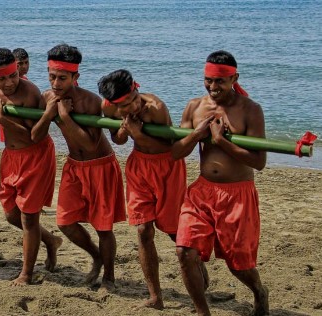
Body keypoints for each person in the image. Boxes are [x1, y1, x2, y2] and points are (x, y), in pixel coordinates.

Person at [172, 50, 269, 316]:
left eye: (220, 82)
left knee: (238, 265)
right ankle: (203, 312)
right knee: (184, 252)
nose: (213, 87)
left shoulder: (251, 109)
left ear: (234, 78)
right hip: (202, 192)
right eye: (208, 81)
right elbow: (176, 152)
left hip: (238, 195)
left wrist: (221, 142)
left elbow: (259, 162)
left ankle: (259, 291)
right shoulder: (194, 106)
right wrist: (196, 135)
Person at [34, 43, 126, 292]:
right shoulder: (47, 97)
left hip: (101, 167)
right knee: (65, 222)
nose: (55, 83)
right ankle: (96, 256)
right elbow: (37, 134)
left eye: (62, 78)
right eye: (52, 76)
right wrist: (49, 113)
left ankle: (109, 277)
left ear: (76, 77)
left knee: (103, 227)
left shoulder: (91, 101)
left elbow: (91, 141)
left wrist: (64, 117)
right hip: (74, 166)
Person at [0, 48, 62, 285]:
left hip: (35, 155)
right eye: (2, 78)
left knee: (29, 218)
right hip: (10, 156)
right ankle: (51, 240)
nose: (9, 82)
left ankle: (26, 274)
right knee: (12, 214)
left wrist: (2, 119)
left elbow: (36, 136)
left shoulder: (30, 92)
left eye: (13, 75)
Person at [98, 69, 186, 309]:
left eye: (134, 99)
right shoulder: (107, 108)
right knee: (143, 230)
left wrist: (138, 133)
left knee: (174, 231)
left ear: (136, 89)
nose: (133, 106)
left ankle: (194, 266)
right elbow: (118, 140)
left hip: (167, 166)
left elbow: (170, 146)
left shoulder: (156, 107)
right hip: (139, 166)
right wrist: (125, 131)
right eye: (125, 105)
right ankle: (155, 296)